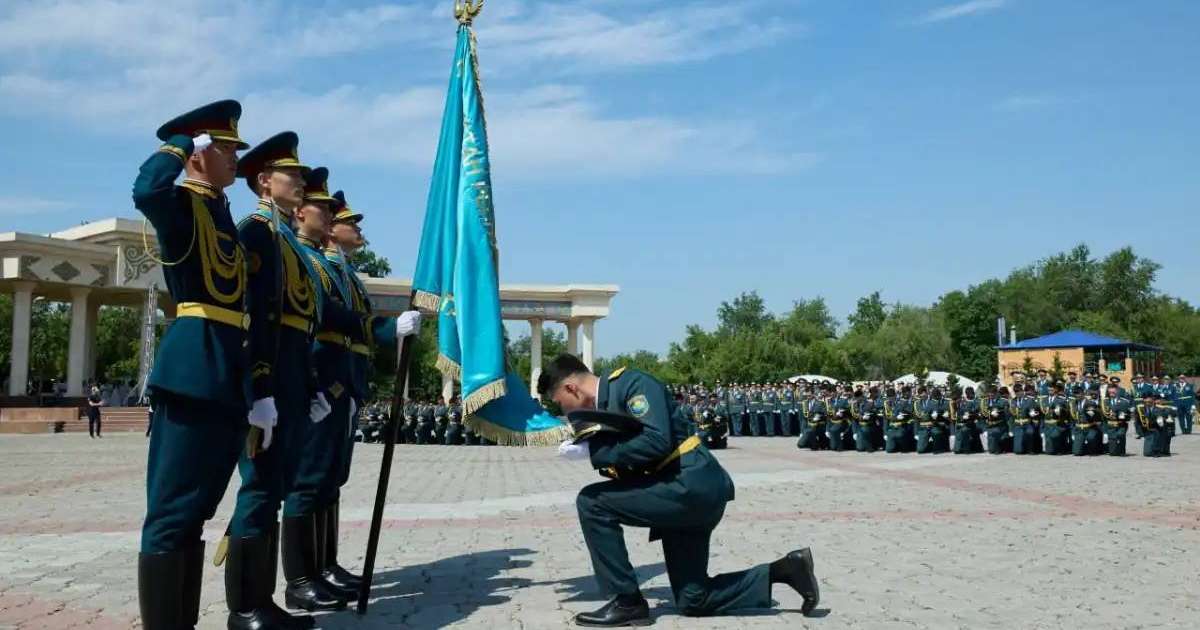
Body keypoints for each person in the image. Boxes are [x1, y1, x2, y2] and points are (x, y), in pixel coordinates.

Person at [540, 355, 819, 625]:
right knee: (693, 600)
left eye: (559, 403)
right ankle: (786, 570)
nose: (564, 411)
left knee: (592, 502)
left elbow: (656, 441)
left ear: (570, 388)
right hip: (679, 490)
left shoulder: (631, 385)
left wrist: (595, 451)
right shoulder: (606, 401)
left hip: (689, 484)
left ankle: (626, 602)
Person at [134, 100, 253, 630]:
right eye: (226, 148)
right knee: (170, 514)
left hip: (226, 370)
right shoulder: (180, 203)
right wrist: (181, 142)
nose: (234, 159)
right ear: (202, 153)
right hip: (192, 369)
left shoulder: (219, 210)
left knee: (196, 512)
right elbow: (145, 191)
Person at [231, 135, 342, 625]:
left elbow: (303, 325)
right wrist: (260, 388)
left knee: (275, 489)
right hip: (270, 382)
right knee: (258, 491)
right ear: (262, 182)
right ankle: (246, 608)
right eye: (291, 175)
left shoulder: (284, 242)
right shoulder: (254, 233)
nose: (299, 182)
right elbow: (252, 315)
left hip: (293, 380)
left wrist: (309, 385)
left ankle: (265, 600)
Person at [1101, 383, 1131, 456]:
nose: (1111, 393)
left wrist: (1124, 416)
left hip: (1121, 425)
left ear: (1117, 391)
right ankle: (1114, 449)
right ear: (1108, 391)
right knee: (1113, 453)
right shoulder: (1104, 402)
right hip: (1110, 426)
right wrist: (1104, 431)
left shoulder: (1124, 402)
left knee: (1120, 435)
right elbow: (1103, 418)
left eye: (1113, 392)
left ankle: (1122, 451)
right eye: (1110, 392)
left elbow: (1129, 416)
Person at [1071, 387, 1104, 456]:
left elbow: (1097, 416)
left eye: (1078, 393)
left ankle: (1097, 448)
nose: (1077, 395)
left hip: (1090, 427)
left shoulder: (1090, 403)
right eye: (1075, 394)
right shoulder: (1074, 403)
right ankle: (1083, 447)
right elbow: (1073, 418)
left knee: (1091, 439)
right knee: (1076, 452)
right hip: (1079, 428)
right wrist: (1073, 431)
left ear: (1083, 393)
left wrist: (1093, 415)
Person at [984, 386, 1011, 454]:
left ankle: (1003, 442)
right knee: (991, 450)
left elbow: (1007, 415)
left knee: (997, 449)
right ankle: (998, 445)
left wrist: (999, 415)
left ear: (996, 393)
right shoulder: (985, 401)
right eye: (989, 393)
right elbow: (983, 413)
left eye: (992, 393)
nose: (990, 395)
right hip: (990, 426)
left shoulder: (1003, 401)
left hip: (1000, 425)